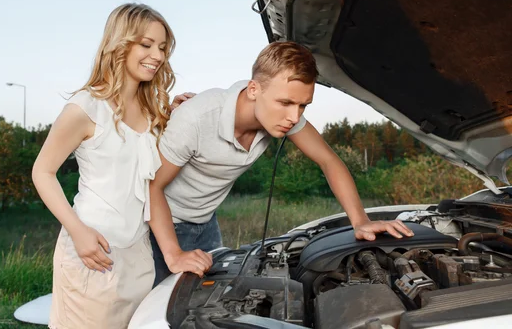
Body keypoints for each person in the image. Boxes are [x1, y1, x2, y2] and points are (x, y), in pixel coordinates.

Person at [148, 41, 415, 285]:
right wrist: (173, 254)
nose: (293, 116)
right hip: (162, 228)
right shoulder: (196, 117)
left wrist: (360, 221)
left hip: (207, 223)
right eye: (285, 103)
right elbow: (153, 186)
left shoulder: (282, 114)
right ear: (254, 89)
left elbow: (329, 160)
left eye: (303, 106)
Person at [32, 3, 187, 328]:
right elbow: (42, 172)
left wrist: (177, 116)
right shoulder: (85, 108)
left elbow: (149, 187)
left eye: (161, 47)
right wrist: (78, 232)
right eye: (146, 44)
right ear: (120, 43)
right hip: (93, 253)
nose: (157, 55)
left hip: (139, 258)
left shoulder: (152, 113)